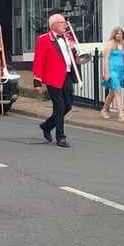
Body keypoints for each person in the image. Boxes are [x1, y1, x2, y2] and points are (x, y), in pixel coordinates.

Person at [32, 13, 82, 148]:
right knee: (59, 107)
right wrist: (38, 81)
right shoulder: (44, 39)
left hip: (67, 75)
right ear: (53, 25)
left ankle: (47, 126)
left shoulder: (68, 38)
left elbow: (73, 57)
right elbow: (39, 61)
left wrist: (73, 50)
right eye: (61, 22)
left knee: (68, 106)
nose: (65, 24)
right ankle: (60, 136)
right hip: (53, 77)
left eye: (64, 22)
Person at [100, 27, 124, 122]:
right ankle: (121, 115)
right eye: (117, 33)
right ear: (114, 34)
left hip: (120, 70)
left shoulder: (121, 45)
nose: (119, 35)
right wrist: (106, 72)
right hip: (112, 69)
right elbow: (106, 59)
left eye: (121, 34)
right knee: (117, 91)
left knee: (113, 92)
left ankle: (104, 109)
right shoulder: (110, 44)